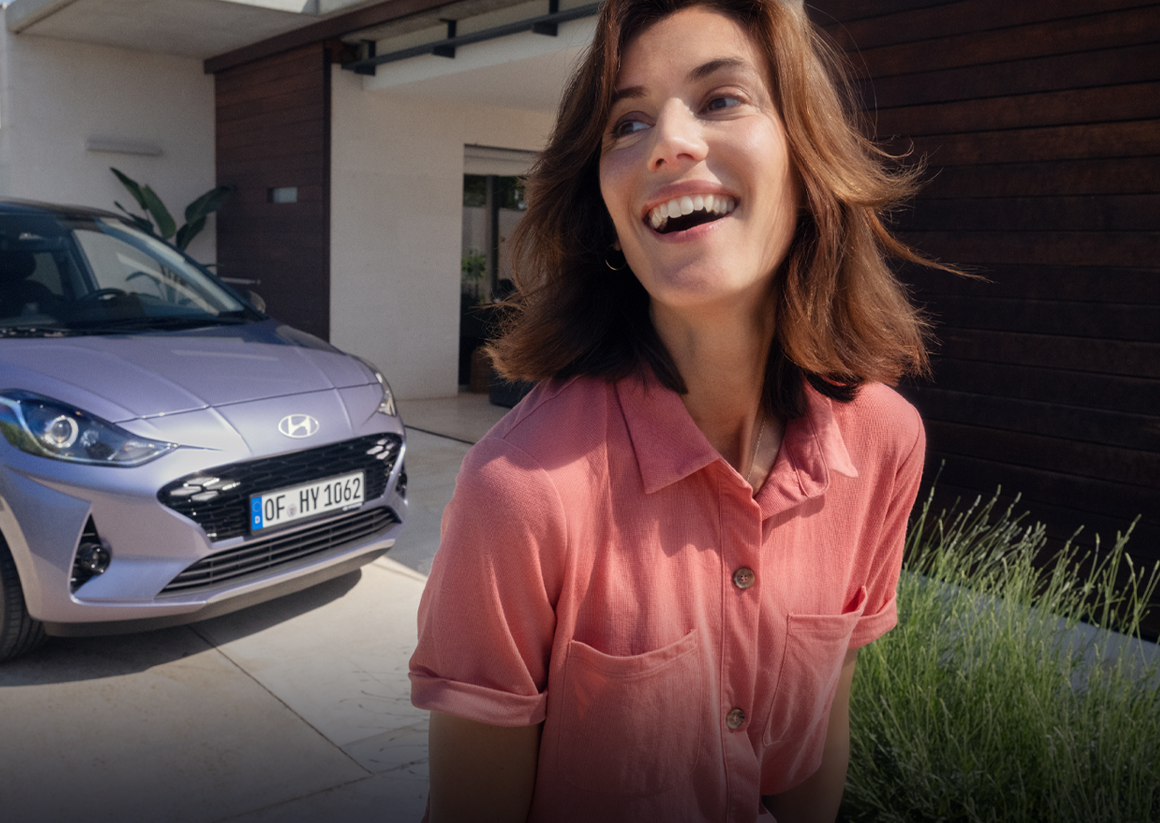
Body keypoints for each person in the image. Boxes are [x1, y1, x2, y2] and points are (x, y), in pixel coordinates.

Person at [408, 1, 959, 821]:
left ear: (808, 159)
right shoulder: (515, 492)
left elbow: (816, 746)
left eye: (722, 98)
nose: (667, 141)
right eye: (626, 122)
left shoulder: (885, 441)